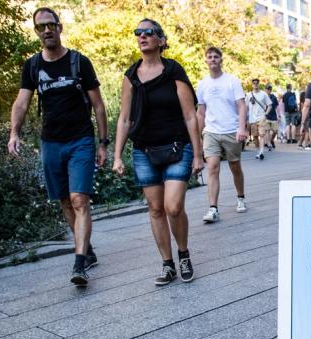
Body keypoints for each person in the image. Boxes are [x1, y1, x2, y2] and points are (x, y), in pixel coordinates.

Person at [9, 7, 108, 286]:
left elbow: (99, 105)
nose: (47, 30)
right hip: (51, 142)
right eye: (41, 27)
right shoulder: (32, 66)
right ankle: (86, 249)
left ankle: (79, 265)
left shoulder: (79, 62)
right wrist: (14, 133)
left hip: (81, 140)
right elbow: (22, 102)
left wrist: (103, 143)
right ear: (36, 32)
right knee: (64, 200)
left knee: (79, 199)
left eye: (51, 25)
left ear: (60, 27)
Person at [112, 19, 203, 285]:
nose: (142, 36)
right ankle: (167, 264)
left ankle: (183, 254)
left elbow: (190, 116)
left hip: (177, 146)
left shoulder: (174, 71)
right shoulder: (130, 77)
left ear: (161, 40)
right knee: (155, 209)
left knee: (172, 207)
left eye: (148, 32)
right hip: (144, 150)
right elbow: (124, 119)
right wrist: (118, 155)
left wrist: (198, 154)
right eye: (138, 33)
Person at [195, 46, 249, 223]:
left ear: (221, 60)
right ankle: (213, 208)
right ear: (206, 60)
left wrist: (242, 128)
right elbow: (201, 112)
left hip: (231, 131)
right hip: (211, 132)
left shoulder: (232, 81)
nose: (212, 59)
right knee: (212, 167)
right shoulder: (202, 84)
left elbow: (241, 106)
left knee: (235, 166)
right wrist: (197, 135)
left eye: (215, 57)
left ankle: (240, 197)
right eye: (209, 57)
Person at [247, 78, 270, 160]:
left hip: (261, 118)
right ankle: (258, 150)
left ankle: (261, 152)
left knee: (262, 135)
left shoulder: (263, 94)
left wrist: (266, 113)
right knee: (255, 136)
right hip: (252, 119)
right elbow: (246, 107)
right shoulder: (249, 95)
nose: (255, 85)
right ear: (252, 85)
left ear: (259, 84)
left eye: (257, 83)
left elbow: (269, 105)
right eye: (254, 83)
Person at [265, 84, 279, 149]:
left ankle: (271, 140)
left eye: (269, 89)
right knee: (267, 130)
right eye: (267, 89)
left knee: (275, 131)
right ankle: (269, 144)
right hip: (266, 116)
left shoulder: (273, 97)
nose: (268, 90)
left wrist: (278, 114)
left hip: (273, 116)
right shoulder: (264, 97)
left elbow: (276, 106)